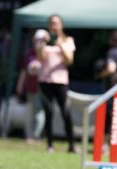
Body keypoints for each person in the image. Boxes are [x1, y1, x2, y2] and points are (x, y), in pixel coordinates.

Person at [35, 15, 76, 153]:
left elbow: (70, 61)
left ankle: (71, 145)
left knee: (66, 112)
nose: (54, 26)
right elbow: (40, 58)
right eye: (51, 23)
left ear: (61, 25)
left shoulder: (67, 40)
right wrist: (43, 43)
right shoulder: (42, 40)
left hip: (61, 81)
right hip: (45, 81)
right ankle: (50, 145)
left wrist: (61, 45)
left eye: (56, 23)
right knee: (49, 112)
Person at [16, 31, 45, 142]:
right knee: (31, 112)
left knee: (39, 112)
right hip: (30, 87)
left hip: (43, 88)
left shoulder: (46, 54)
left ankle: (35, 135)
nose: (38, 43)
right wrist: (19, 85)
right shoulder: (29, 54)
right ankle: (30, 136)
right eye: (36, 40)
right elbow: (24, 71)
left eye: (40, 40)